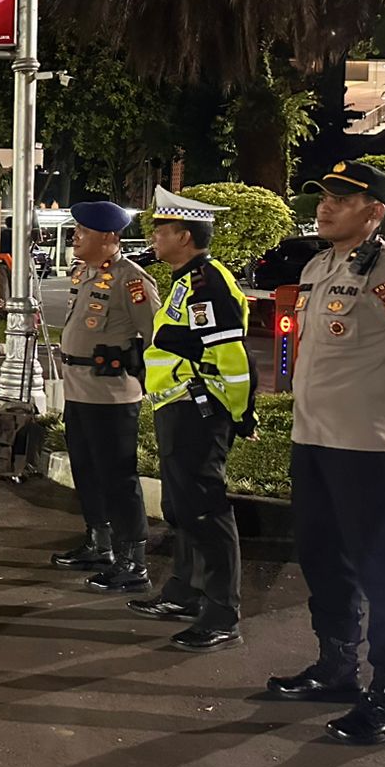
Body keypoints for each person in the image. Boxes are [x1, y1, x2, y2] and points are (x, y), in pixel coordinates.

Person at [265, 161, 385, 744]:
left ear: (374, 213)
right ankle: (337, 666)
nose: (326, 205)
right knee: (322, 557)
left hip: (366, 448)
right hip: (313, 440)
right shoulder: (319, 266)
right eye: (324, 196)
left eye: (343, 198)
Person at [131, 185, 255, 651]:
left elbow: (231, 355)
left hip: (200, 408)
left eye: (162, 228)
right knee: (181, 507)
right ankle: (184, 592)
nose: (156, 236)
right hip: (177, 406)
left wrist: (242, 413)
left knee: (206, 509)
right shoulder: (187, 279)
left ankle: (222, 612)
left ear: (184, 235)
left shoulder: (208, 281)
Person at [50, 200, 160, 590]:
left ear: (109, 237)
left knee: (118, 477)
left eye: (84, 231)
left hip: (113, 395)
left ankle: (134, 560)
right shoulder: (85, 273)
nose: (76, 236)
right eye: (77, 229)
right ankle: (99, 543)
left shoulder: (132, 280)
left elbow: (156, 338)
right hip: (80, 391)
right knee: (87, 469)